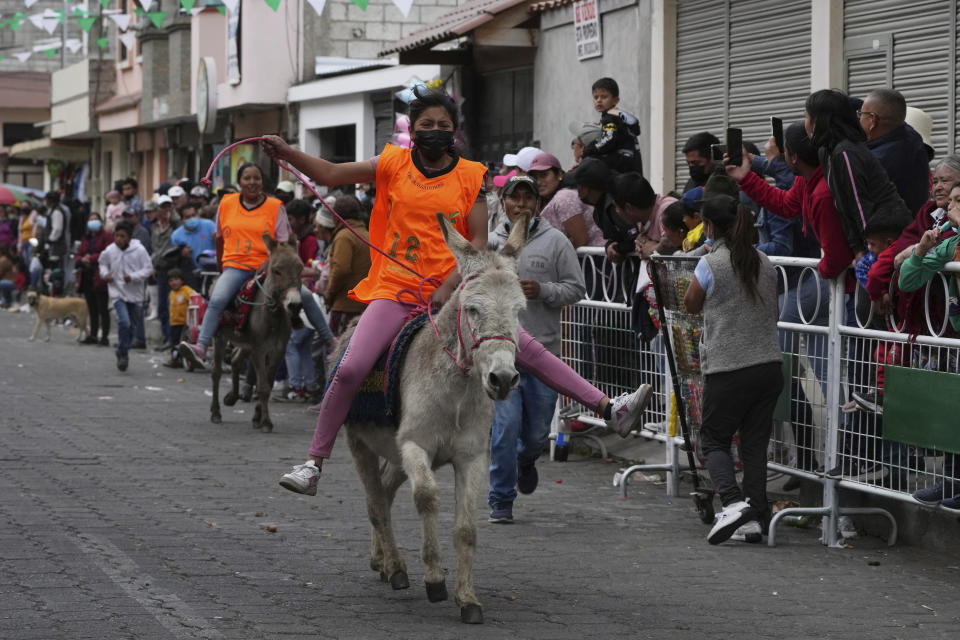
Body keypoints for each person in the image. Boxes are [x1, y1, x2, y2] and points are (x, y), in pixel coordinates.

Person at [264, 88, 652, 495]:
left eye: (443, 126)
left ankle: (611, 408)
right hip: (396, 290)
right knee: (348, 368)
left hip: (455, 293)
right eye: (426, 125)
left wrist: (450, 285)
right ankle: (313, 463)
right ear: (411, 131)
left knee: (528, 349)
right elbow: (327, 173)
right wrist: (287, 152)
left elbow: (479, 241)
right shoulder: (391, 163)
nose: (435, 131)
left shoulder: (471, 176)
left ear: (455, 132)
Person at [683, 194, 782, 544]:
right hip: (770, 365)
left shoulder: (711, 263)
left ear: (709, 226)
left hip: (729, 366)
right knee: (755, 445)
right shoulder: (765, 261)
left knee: (713, 440)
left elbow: (691, 303)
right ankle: (755, 517)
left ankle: (732, 502)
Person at [486, 176, 586, 523]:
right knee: (506, 426)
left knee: (534, 435)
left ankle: (526, 460)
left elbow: (576, 289)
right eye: (516, 198)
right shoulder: (489, 242)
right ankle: (500, 499)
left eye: (530, 198)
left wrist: (542, 289)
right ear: (504, 202)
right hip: (502, 356)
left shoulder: (556, 241)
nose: (523, 204)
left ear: (538, 205)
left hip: (543, 354)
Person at [178, 162, 334, 368]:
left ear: (262, 182)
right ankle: (201, 346)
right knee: (217, 299)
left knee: (305, 295)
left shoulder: (275, 206)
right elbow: (219, 239)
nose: (252, 182)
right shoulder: (226, 203)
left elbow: (284, 243)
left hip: (268, 269)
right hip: (235, 266)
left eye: (257, 178)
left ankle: (330, 341)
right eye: (247, 178)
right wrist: (221, 268)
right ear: (239, 182)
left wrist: (269, 264)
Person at [898, 187, 960, 510]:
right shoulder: (949, 243)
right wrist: (920, 249)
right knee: (954, 411)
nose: (949, 207)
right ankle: (951, 482)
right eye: (951, 201)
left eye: (958, 201)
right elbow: (906, 281)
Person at [804, 89, 912, 258]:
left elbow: (860, 205)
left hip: (886, 240)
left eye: (807, 116)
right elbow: (841, 204)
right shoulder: (826, 152)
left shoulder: (846, 153)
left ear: (819, 120)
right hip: (872, 241)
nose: (806, 122)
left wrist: (867, 249)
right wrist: (857, 248)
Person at [858, 88, 930, 216]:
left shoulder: (878, 160)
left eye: (861, 114)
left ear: (872, 120)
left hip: (887, 233)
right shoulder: (911, 138)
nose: (859, 119)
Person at [99, 221, 153, 372]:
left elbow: (148, 269)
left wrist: (133, 277)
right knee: (124, 322)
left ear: (129, 237)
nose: (119, 239)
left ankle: (123, 349)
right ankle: (123, 353)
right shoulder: (110, 250)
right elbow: (102, 264)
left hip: (135, 295)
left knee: (132, 327)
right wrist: (105, 274)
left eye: (122, 236)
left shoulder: (139, 250)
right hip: (117, 293)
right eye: (117, 236)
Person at [527, 151, 604, 248]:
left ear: (559, 174)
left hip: (595, 260)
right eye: (534, 177)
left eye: (543, 175)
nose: (538, 182)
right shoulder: (545, 200)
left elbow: (580, 240)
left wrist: (550, 252)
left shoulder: (564, 198)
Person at [323, 195, 371, 337]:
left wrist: (329, 292)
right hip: (365, 305)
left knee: (338, 353)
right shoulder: (367, 234)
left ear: (336, 217)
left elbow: (341, 269)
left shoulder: (344, 236)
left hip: (345, 306)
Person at [583, 77, 643, 175]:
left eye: (604, 97)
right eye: (596, 97)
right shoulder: (619, 115)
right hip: (632, 163)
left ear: (615, 100)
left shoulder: (610, 117)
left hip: (622, 164)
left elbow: (609, 139)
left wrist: (589, 150)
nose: (599, 100)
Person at [611, 172, 677, 260]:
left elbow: (670, 243)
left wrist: (652, 250)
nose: (616, 211)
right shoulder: (641, 220)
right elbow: (640, 242)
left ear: (628, 207)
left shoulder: (667, 208)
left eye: (617, 207)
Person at [76, 213, 113, 346]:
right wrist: (82, 259)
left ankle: (104, 337)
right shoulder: (86, 237)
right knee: (92, 309)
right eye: (90, 220)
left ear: (101, 222)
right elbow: (79, 254)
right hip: (86, 275)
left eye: (96, 219)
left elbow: (108, 253)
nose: (93, 222)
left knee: (102, 308)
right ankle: (92, 335)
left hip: (100, 275)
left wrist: (90, 258)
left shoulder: (107, 236)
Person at [151, 195, 178, 349]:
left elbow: (180, 228)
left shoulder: (175, 225)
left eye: (168, 206)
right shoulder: (155, 227)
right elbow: (154, 248)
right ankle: (166, 337)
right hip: (160, 269)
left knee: (172, 305)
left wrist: (172, 216)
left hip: (173, 268)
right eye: (162, 207)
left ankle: (172, 340)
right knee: (162, 305)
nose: (165, 210)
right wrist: (153, 266)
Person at [162, 269, 196, 368]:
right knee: (174, 343)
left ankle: (182, 358)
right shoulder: (171, 293)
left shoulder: (186, 290)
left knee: (183, 342)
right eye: (171, 280)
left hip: (185, 323)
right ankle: (175, 359)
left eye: (176, 279)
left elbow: (195, 297)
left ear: (182, 280)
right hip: (174, 323)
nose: (174, 282)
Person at [170, 202, 216, 272]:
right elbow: (175, 258)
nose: (192, 219)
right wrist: (182, 254)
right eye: (188, 217)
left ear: (198, 215)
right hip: (190, 272)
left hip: (212, 269)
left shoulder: (209, 225)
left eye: (194, 215)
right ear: (182, 220)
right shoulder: (176, 235)